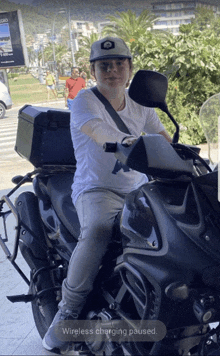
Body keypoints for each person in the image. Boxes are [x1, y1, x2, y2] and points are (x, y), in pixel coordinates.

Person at [43, 36, 172, 354]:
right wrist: (128, 144)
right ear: (94, 70)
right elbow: (99, 133)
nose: (112, 70)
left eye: (119, 64)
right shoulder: (85, 100)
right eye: (104, 65)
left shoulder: (140, 103)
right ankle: (68, 311)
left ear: (129, 69)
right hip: (96, 189)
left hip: (139, 187)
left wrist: (189, 159)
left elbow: (163, 137)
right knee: (99, 230)